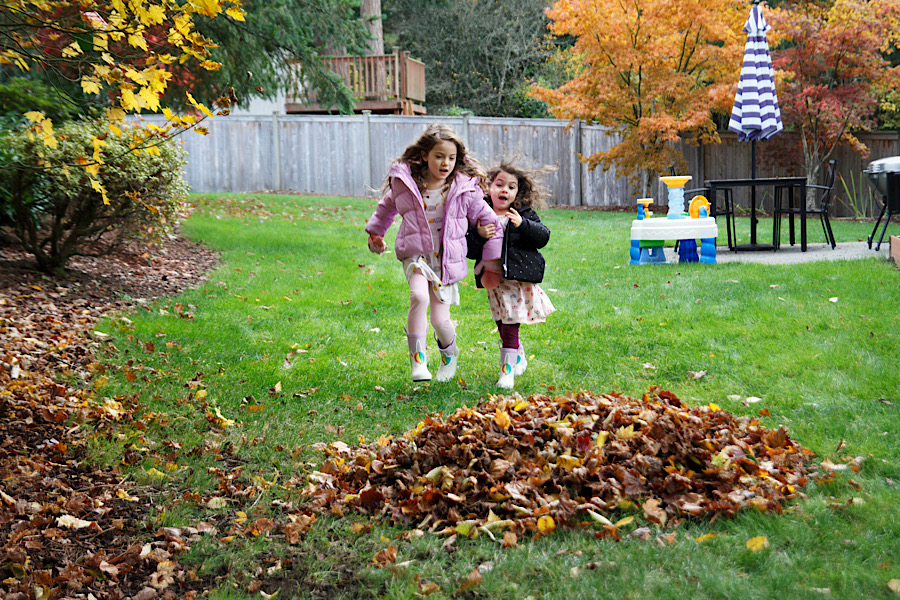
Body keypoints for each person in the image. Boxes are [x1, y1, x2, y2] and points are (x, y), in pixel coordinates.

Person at [366, 123, 503, 383]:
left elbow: (491, 222)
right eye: (439, 156)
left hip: (446, 260)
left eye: (451, 158)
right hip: (416, 255)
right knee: (419, 296)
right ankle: (418, 362)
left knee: (441, 321)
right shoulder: (406, 184)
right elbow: (386, 208)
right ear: (425, 155)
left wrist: (490, 257)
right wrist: (375, 234)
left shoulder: (464, 188)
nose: (445, 163)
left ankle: (449, 355)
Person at [467, 161, 555, 388]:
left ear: (518, 193)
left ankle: (507, 373)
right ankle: (518, 355)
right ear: (488, 188)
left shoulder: (522, 213)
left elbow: (543, 237)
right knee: (501, 321)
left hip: (515, 278)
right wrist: (479, 234)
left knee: (510, 323)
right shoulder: (481, 215)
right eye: (499, 184)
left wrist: (523, 224)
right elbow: (469, 249)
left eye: (511, 187)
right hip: (492, 279)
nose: (504, 190)